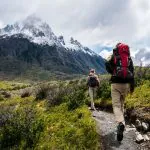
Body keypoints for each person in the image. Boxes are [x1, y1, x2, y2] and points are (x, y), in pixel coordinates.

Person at [105, 43, 135, 142]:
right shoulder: (128, 58)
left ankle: (121, 123)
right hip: (126, 85)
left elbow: (107, 65)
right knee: (122, 105)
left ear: (117, 48)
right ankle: (121, 125)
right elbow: (132, 72)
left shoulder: (114, 56)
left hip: (115, 84)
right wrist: (132, 87)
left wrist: (112, 71)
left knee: (116, 105)